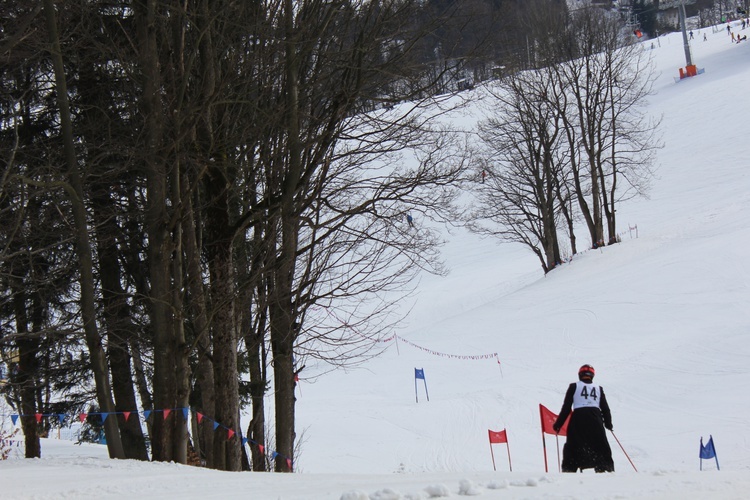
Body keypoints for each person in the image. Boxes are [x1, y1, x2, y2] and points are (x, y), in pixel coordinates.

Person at [553, 364, 615, 473]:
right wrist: (608, 424)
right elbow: (605, 409)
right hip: (595, 418)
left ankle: (569, 469)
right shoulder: (598, 389)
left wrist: (558, 425)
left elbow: (566, 408)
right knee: (600, 444)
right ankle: (604, 468)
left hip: (578, 418)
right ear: (592, 375)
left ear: (580, 375)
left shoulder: (573, 386)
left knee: (573, 444)